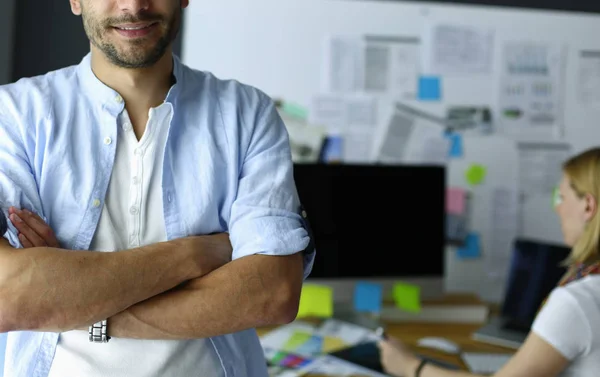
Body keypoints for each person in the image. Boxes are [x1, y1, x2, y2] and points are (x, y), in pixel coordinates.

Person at [0, 0, 315, 376]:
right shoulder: (13, 116)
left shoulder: (246, 114)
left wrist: (71, 303)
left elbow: (273, 294)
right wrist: (198, 253)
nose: (134, 6)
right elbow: (8, 298)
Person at [378, 147, 600, 377]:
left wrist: (410, 367)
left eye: (562, 197)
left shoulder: (577, 303)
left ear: (588, 206)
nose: (557, 208)